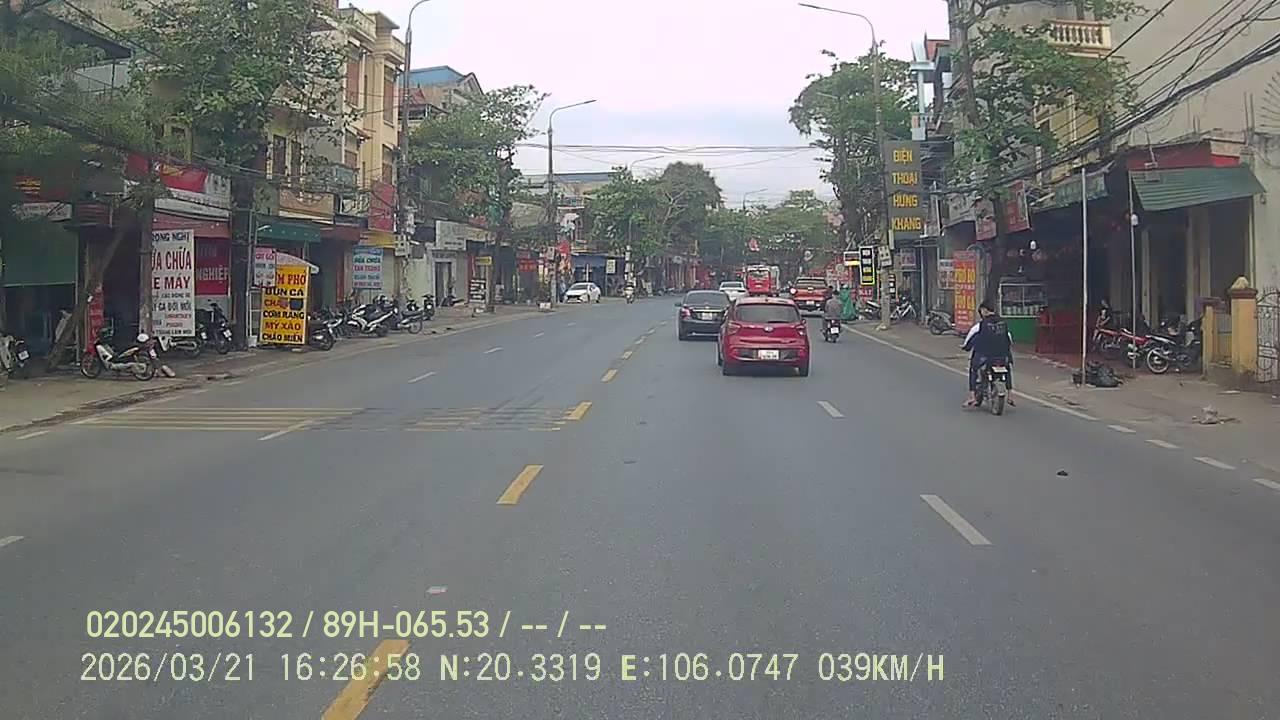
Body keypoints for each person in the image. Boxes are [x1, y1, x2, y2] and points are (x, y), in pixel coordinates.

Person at [962, 301, 1015, 407]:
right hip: (1002, 356)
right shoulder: (1003, 323)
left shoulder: (980, 325)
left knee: (973, 369)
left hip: (984, 357)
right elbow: (1009, 339)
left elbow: (969, 339)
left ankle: (972, 397)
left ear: (984, 311)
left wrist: (966, 347)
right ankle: (1010, 395)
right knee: (1007, 369)